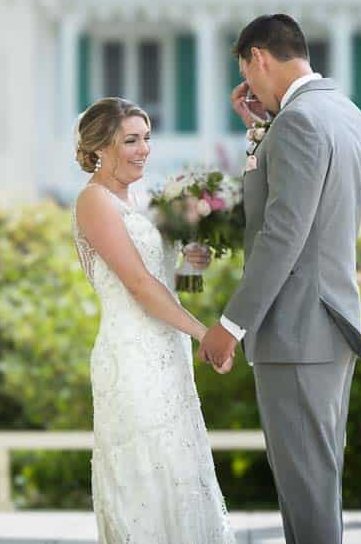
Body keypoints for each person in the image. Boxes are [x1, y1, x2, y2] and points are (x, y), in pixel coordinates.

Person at [199, 14, 361, 543]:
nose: (247, 86)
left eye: (247, 73)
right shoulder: (344, 111)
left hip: (296, 330)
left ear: (258, 57)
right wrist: (260, 125)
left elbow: (283, 236)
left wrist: (231, 323)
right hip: (330, 322)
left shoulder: (297, 121)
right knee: (317, 483)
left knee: (307, 487)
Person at [71, 97, 235, 544]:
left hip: (170, 354)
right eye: (130, 140)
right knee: (144, 474)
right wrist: (207, 334)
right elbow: (140, 287)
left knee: (182, 470)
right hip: (130, 356)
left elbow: (173, 286)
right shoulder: (94, 202)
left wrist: (193, 264)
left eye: (146, 138)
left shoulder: (146, 198)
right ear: (101, 147)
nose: (143, 149)